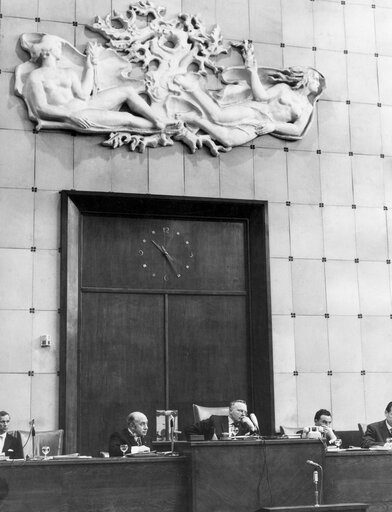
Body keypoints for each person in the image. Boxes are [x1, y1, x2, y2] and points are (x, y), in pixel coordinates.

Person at [173, 39, 325, 148]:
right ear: (306, 77)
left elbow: (297, 129)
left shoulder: (307, 107)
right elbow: (262, 97)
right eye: (315, 79)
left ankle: (195, 119)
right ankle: (192, 87)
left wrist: (272, 126)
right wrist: (252, 73)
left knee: (228, 140)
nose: (317, 84)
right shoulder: (284, 88)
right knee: (218, 116)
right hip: (255, 111)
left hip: (261, 125)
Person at [19, 34, 168, 133]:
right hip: (77, 114)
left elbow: (84, 94)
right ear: (47, 52)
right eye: (58, 46)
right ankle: (163, 127)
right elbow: (41, 108)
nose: (61, 49)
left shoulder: (68, 72)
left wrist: (89, 66)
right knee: (127, 118)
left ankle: (157, 120)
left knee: (127, 90)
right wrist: (70, 116)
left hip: (87, 103)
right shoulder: (36, 76)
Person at [184, 400, 257, 440]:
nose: (243, 414)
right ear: (230, 411)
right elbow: (189, 429)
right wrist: (206, 442)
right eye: (240, 411)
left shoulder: (245, 425)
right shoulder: (215, 420)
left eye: (245, 412)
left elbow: (255, 441)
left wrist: (252, 428)